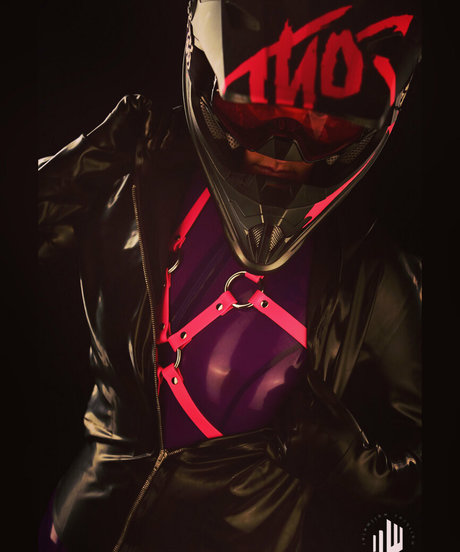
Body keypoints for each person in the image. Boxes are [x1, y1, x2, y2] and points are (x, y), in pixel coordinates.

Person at [38, 1, 422, 551]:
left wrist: (356, 467)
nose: (282, 149)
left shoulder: (372, 269)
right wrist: (65, 177)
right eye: (256, 109)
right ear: (214, 86)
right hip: (79, 529)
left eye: (323, 123)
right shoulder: (140, 174)